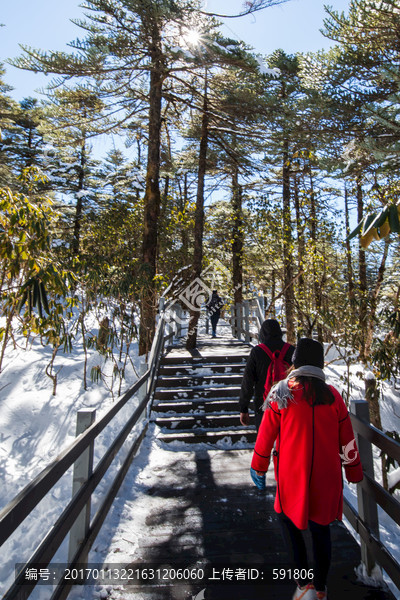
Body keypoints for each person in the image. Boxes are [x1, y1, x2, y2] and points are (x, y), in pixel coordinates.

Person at [251, 338, 363, 600]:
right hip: (327, 477)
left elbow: (266, 436)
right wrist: (354, 472)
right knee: (321, 529)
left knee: (286, 520)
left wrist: (258, 466)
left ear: (296, 363)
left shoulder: (283, 393)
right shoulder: (333, 396)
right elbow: (347, 441)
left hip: (293, 476)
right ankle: (321, 588)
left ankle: (304, 585)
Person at [239, 319, 295, 432]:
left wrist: (243, 408)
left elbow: (248, 381)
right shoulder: (291, 350)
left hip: (263, 404)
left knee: (265, 441)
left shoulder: (257, 352)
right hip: (289, 403)